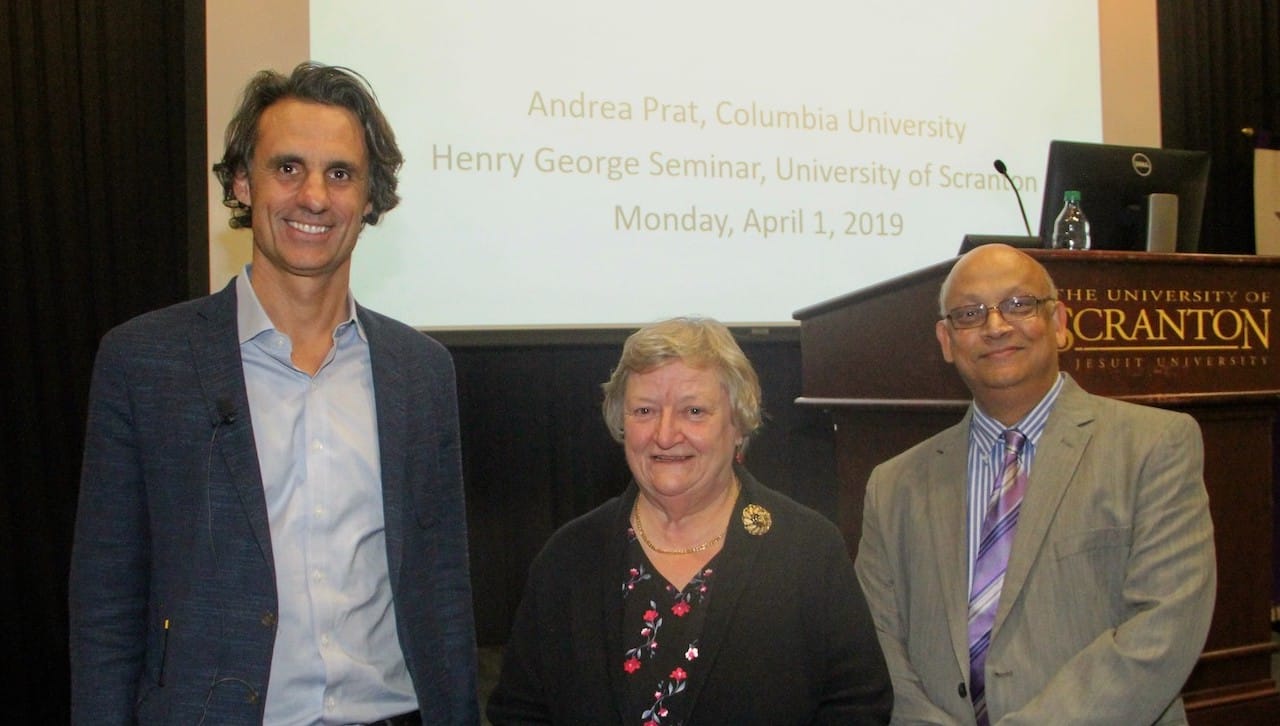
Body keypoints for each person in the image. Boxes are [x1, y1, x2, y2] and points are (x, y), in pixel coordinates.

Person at [68, 63, 479, 725]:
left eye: (340, 174)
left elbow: (444, 590)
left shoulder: (420, 373)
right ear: (241, 182)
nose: (314, 196)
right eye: (288, 168)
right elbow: (106, 601)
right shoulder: (145, 361)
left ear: (370, 198)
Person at [854, 244, 1216, 725]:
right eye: (969, 313)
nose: (996, 326)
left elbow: (1163, 630)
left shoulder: (1155, 447)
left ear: (1060, 322)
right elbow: (877, 643)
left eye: (1019, 305)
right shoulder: (894, 484)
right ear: (946, 340)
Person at [487, 316, 892, 724]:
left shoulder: (807, 549)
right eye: (644, 410)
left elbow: (857, 704)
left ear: (738, 423)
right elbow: (520, 711)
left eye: (693, 411)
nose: (665, 434)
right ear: (620, 423)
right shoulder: (569, 556)